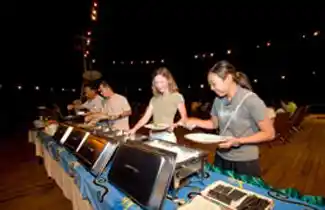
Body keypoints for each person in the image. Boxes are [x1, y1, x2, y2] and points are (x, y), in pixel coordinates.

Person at [185, 60, 275, 177]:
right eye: (210, 85)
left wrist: (238, 141)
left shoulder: (251, 100)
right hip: (221, 157)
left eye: (214, 83)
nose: (211, 88)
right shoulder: (218, 100)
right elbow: (213, 124)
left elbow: (269, 133)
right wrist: (194, 121)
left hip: (245, 162)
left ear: (228, 78)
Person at [128, 67, 187, 143]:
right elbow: (145, 117)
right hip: (152, 135)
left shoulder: (177, 96)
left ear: (169, 81)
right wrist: (134, 129)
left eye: (162, 82)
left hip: (167, 136)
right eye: (156, 82)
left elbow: (184, 118)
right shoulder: (154, 99)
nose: (159, 85)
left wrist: (175, 125)